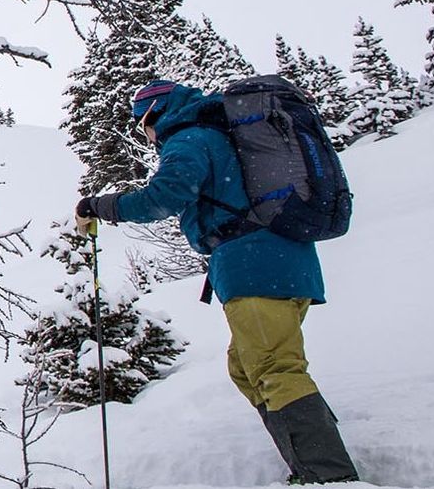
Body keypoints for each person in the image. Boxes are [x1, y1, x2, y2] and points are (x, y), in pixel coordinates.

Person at [76, 80, 357, 483]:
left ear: (154, 113)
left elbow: (166, 195)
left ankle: (327, 474)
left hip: (254, 264)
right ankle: (314, 454)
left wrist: (100, 206)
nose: (146, 134)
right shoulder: (218, 134)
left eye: (142, 125)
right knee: (246, 366)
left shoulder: (189, 136)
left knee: (274, 368)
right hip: (280, 260)